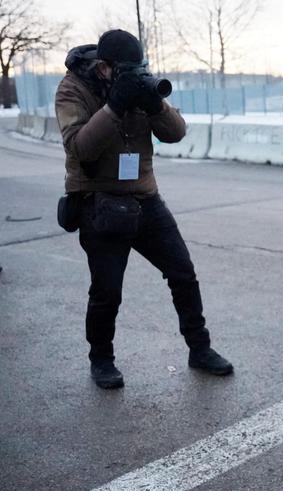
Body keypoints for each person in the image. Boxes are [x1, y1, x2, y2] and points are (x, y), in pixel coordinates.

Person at [55, 30, 232, 389]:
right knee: (107, 290)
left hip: (144, 198)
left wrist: (155, 104)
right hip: (98, 200)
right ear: (104, 67)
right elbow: (79, 147)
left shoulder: (137, 81)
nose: (133, 75)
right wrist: (114, 106)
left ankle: (200, 349)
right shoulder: (73, 88)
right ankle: (101, 359)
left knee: (183, 273)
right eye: (125, 70)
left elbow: (176, 133)